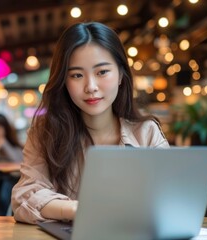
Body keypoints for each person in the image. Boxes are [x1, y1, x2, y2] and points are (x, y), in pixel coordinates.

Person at [11, 22, 169, 224]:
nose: (91, 87)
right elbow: (24, 197)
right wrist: (79, 210)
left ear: (121, 74)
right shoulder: (45, 132)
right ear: (64, 82)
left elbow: (168, 200)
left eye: (102, 72)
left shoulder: (146, 133)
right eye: (77, 75)